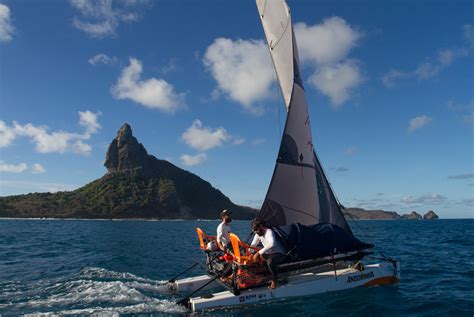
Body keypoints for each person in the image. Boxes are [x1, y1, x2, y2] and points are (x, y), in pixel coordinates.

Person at [250, 218, 286, 289]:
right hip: (268, 253)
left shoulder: (269, 231)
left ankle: (274, 280)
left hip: (279, 253)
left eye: (256, 230)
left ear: (261, 226)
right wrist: (250, 252)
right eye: (254, 231)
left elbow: (271, 244)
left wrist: (258, 253)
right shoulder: (258, 234)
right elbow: (253, 245)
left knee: (270, 261)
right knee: (254, 259)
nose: (256, 232)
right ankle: (263, 277)